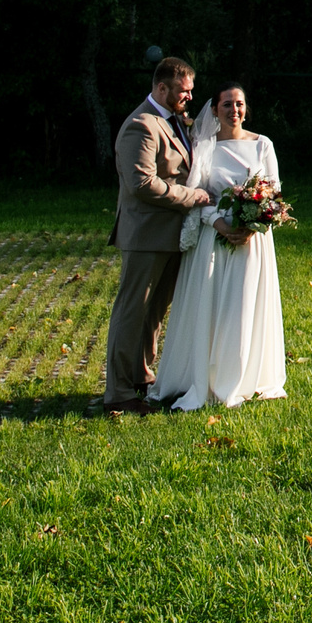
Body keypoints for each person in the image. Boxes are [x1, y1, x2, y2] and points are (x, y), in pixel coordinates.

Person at [152, 84, 288, 410]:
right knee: (212, 307)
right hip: (214, 238)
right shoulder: (205, 148)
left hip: (252, 241)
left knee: (242, 306)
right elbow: (197, 196)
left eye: (239, 104)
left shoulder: (262, 145)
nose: (234, 110)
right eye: (227, 104)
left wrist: (256, 223)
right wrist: (221, 225)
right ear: (215, 110)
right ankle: (204, 376)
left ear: (246, 107)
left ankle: (241, 376)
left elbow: (274, 191)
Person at [102, 56, 213, 416]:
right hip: (146, 235)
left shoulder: (174, 121)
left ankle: (141, 377)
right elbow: (141, 184)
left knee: (153, 315)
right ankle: (117, 392)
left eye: (191, 91)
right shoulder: (142, 125)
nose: (189, 98)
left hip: (170, 235)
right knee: (131, 312)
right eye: (183, 91)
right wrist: (190, 197)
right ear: (161, 87)